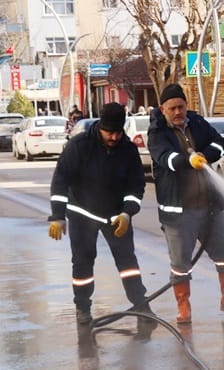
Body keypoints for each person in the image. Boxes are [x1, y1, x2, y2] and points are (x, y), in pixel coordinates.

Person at [147, 82, 224, 324]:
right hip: (179, 211)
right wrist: (186, 160)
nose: (178, 112)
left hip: (210, 205)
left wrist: (206, 155)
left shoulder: (197, 123)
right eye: (173, 108)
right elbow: (165, 159)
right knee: (181, 262)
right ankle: (184, 306)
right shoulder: (157, 133)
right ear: (162, 109)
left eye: (181, 106)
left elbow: (218, 143)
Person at [48, 102, 153, 325]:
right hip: (82, 213)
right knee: (83, 264)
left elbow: (136, 186)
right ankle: (83, 309)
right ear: (100, 127)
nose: (114, 137)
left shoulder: (128, 149)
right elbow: (60, 180)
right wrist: (57, 216)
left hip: (115, 216)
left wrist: (127, 213)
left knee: (128, 263)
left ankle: (141, 306)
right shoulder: (79, 145)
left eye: (118, 132)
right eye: (109, 132)